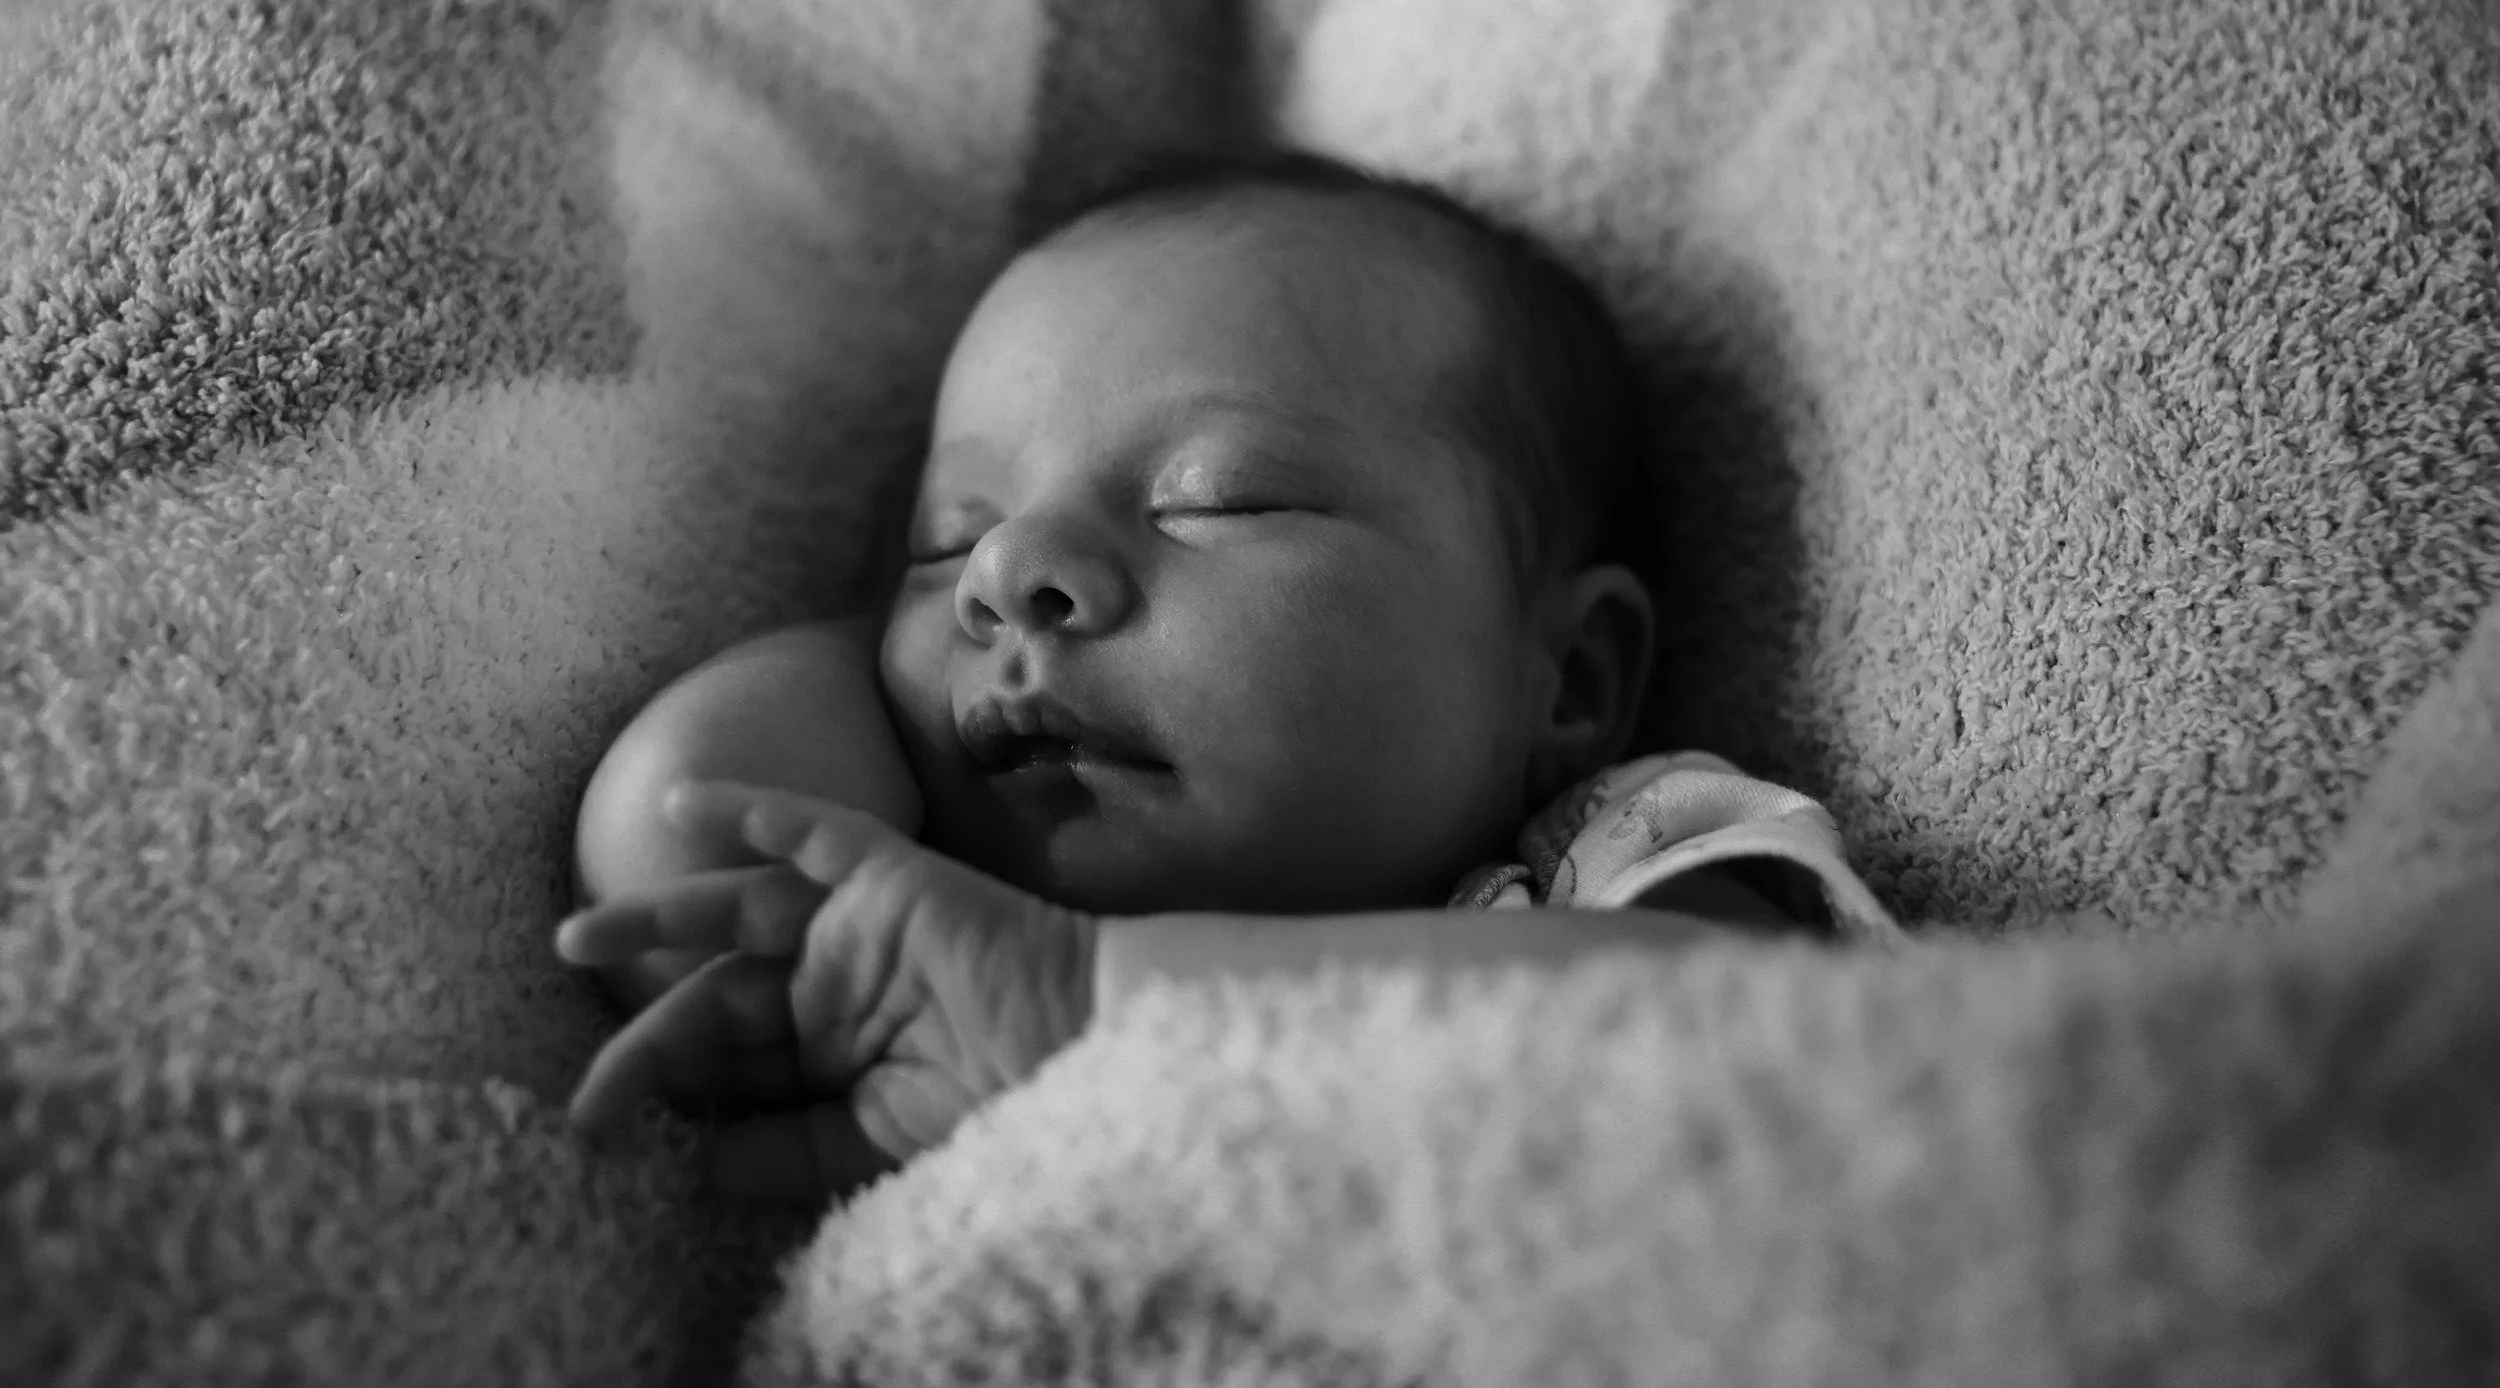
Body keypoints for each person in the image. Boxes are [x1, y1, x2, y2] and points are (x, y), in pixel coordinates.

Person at [555, 150, 1901, 1202]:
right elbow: (681, 845)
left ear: (1568, 681)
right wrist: (882, 658)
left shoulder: (1615, 862)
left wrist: (1091, 996)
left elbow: (1756, 1039)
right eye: (949, 540)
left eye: (1219, 499)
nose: (1008, 570)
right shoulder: (937, 971)